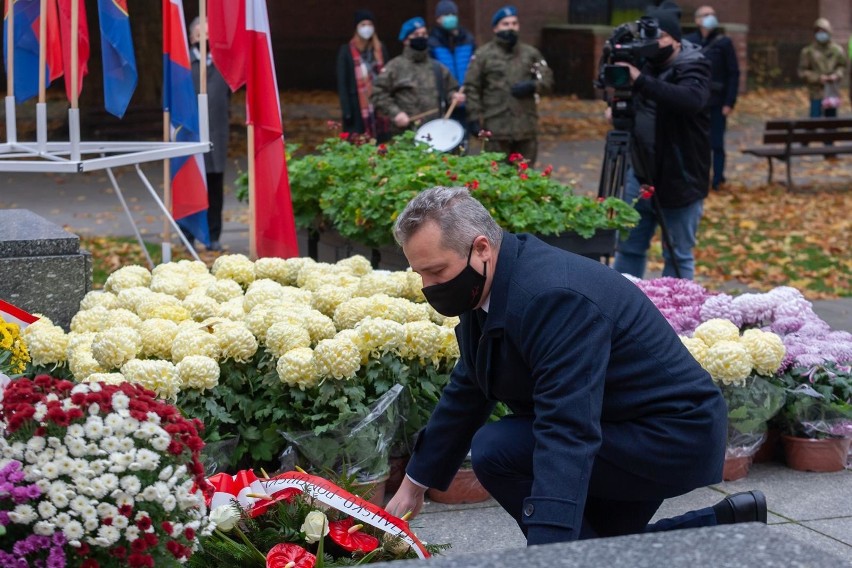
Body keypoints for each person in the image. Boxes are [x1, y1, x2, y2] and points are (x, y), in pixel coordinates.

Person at [385, 186, 767, 545]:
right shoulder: (491, 284)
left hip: (668, 436)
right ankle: (728, 527)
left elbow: (566, 425)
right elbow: (470, 386)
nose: (429, 286)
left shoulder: (552, 297)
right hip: (621, 422)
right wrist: (413, 484)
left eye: (436, 271)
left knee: (497, 450)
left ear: (481, 248)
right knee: (599, 545)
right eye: (420, 275)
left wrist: (553, 550)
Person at [610, 6, 711, 281]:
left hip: (681, 178)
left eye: (661, 36)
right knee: (629, 247)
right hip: (640, 173)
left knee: (678, 254)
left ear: (676, 40)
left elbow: (690, 100)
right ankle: (622, 306)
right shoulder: (642, 62)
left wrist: (640, 80)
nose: (654, 43)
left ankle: (679, 313)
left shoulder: (694, 64)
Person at [464, 6, 553, 166]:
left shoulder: (531, 54)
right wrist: (474, 117)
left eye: (514, 23)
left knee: (525, 176)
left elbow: (547, 81)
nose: (511, 27)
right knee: (497, 177)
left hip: (525, 127)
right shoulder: (483, 55)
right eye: (505, 24)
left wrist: (533, 86)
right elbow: (472, 87)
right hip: (496, 127)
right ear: (495, 28)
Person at [371, 17, 464, 137]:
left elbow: (451, 90)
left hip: (435, 134)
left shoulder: (438, 67)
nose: (421, 37)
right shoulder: (394, 67)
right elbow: (378, 94)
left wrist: (454, 97)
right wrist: (396, 113)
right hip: (406, 135)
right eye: (416, 34)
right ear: (405, 40)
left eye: (424, 34)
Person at [684, 6, 740, 191]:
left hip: (717, 101)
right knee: (695, 143)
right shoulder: (690, 41)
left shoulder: (723, 43)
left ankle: (718, 179)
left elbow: (733, 73)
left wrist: (729, 102)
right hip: (696, 101)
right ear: (697, 20)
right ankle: (698, 177)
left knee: (716, 143)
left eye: (713, 15)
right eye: (706, 15)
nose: (711, 18)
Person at [189, 17, 230, 252]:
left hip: (216, 135)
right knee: (192, 184)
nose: (204, 38)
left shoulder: (222, 65)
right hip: (191, 136)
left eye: (208, 33)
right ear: (192, 37)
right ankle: (189, 233)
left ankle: (213, 235)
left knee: (215, 188)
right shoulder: (184, 64)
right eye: (199, 33)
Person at [336, 9, 390, 140]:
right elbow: (342, 83)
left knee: (381, 144)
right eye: (363, 25)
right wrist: (347, 111)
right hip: (357, 107)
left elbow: (389, 76)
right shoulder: (346, 51)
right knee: (359, 142)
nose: (367, 28)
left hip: (380, 105)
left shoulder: (380, 49)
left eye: (369, 24)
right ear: (356, 28)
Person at [428, 1, 475, 138]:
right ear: (438, 18)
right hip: (445, 102)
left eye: (453, 14)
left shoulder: (467, 39)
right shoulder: (432, 42)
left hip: (466, 99)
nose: (450, 17)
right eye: (446, 14)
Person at [797, 18, 845, 120]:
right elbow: (802, 71)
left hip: (831, 91)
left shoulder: (837, 50)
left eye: (824, 31)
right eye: (818, 31)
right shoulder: (808, 51)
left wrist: (836, 75)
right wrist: (818, 78)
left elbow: (842, 66)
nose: (821, 34)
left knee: (831, 123)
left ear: (829, 32)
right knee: (814, 120)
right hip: (816, 91)